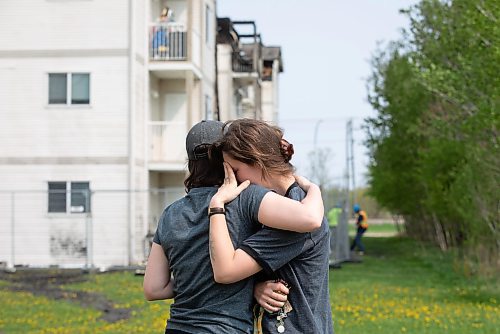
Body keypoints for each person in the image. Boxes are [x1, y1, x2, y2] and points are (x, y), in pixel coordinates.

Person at [143, 120, 325, 333]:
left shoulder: (170, 214)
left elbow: (153, 289)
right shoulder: (248, 198)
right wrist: (313, 189)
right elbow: (308, 217)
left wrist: (194, 282)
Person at [209, 118, 334, 333]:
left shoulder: (295, 221)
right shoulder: (291, 206)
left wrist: (217, 205)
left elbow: (227, 271)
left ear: (256, 161)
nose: (233, 181)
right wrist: (257, 289)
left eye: (235, 170)